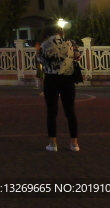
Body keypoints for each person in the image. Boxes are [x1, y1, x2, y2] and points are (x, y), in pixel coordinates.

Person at [37, 24, 80, 152]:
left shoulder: (45, 44)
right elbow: (77, 57)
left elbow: (41, 61)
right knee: (70, 111)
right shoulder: (71, 42)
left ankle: (53, 143)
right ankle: (74, 143)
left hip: (51, 79)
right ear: (61, 32)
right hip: (67, 79)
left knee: (52, 112)